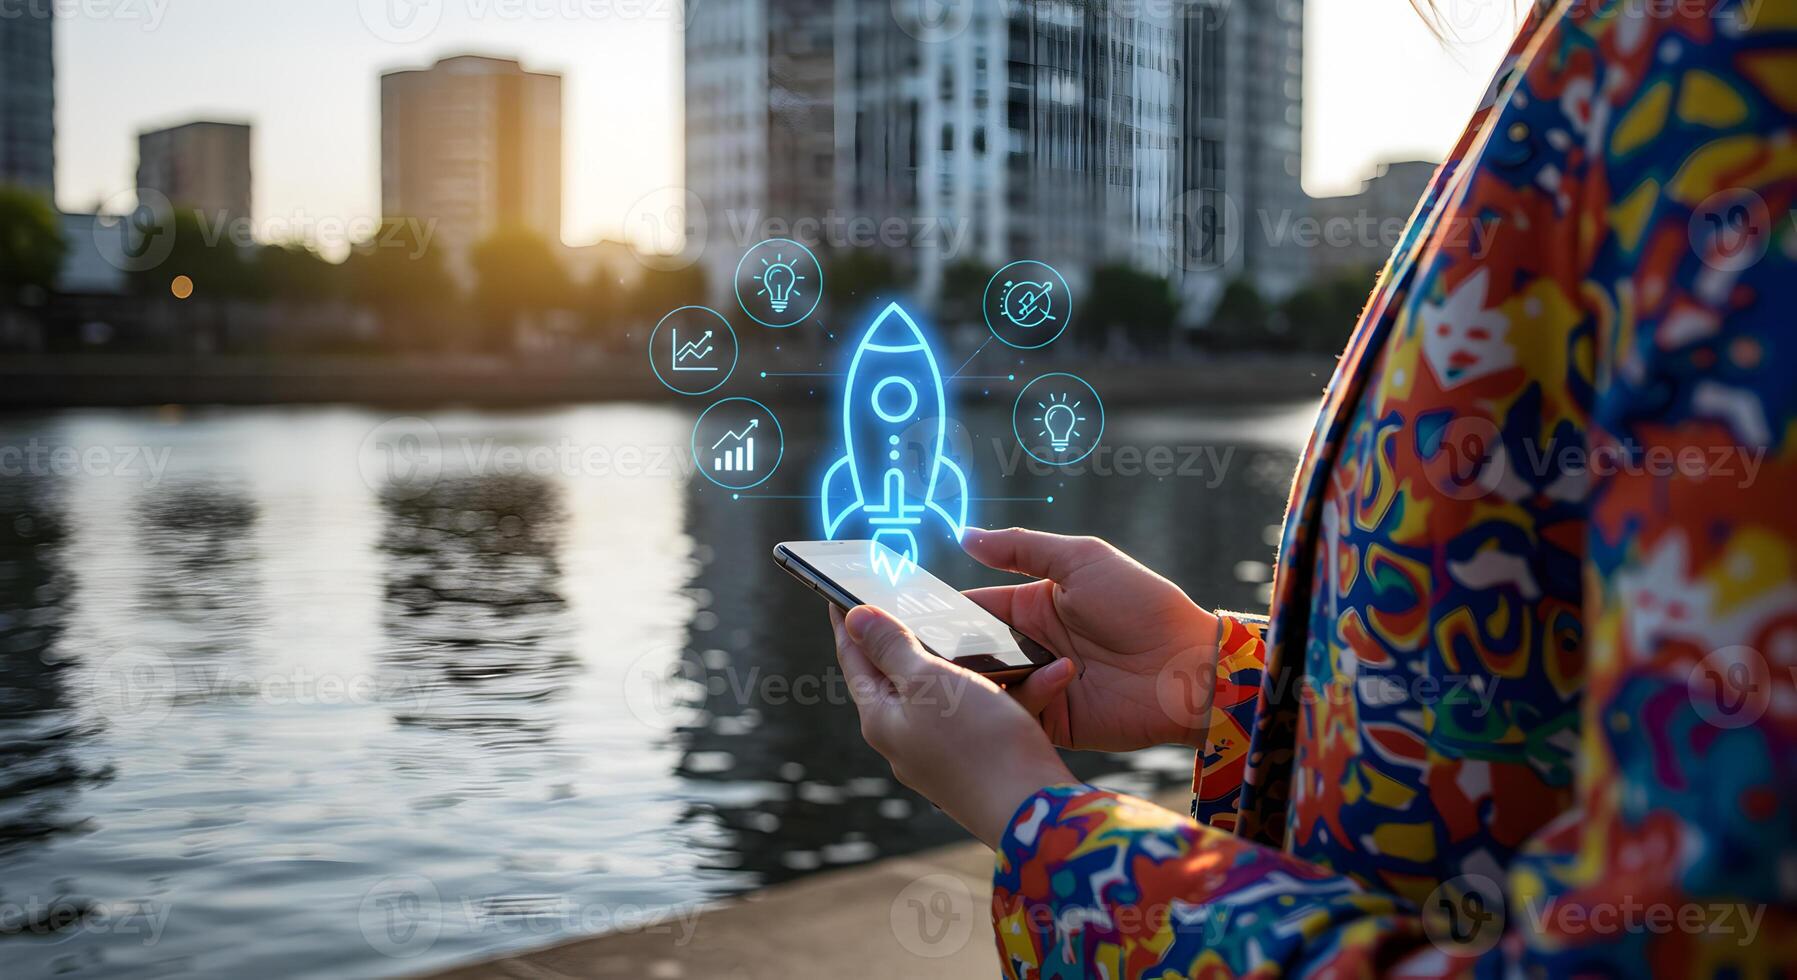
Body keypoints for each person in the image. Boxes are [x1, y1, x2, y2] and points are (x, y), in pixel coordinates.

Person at [829, 0, 1797, 974]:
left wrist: (1044, 825)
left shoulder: (1726, 64)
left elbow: (1675, 948)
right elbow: (1537, 715)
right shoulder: (1605, 47)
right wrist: (1225, 678)